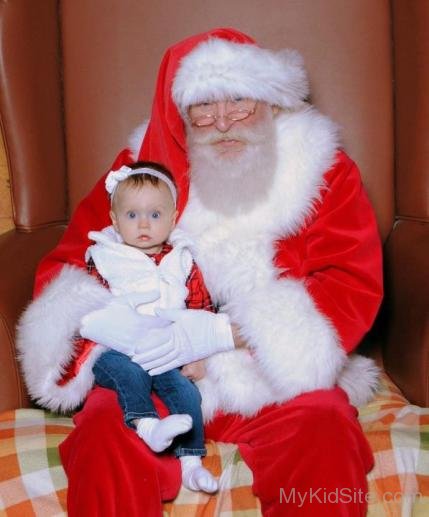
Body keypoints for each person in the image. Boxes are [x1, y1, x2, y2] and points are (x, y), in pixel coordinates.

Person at [17, 28, 383, 516]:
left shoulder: (323, 170)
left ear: (269, 102)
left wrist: (222, 335)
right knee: (106, 425)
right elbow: (71, 266)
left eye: (240, 101)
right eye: (204, 107)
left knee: (325, 424)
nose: (224, 122)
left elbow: (349, 282)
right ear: (179, 115)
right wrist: (129, 332)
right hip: (155, 377)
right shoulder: (140, 176)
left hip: (269, 375)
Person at [85, 161, 220, 493]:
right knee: (129, 373)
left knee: (186, 392)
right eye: (132, 215)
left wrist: (200, 356)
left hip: (166, 349)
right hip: (115, 351)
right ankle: (147, 426)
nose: (144, 224)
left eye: (155, 215)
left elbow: (201, 310)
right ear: (115, 221)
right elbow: (86, 307)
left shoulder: (183, 261)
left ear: (173, 219)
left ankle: (191, 463)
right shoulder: (105, 258)